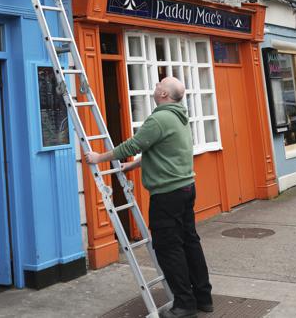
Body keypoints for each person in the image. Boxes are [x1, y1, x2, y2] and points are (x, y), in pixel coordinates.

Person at [85, 77, 212, 318]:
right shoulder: (179, 117)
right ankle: (203, 298)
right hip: (185, 188)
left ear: (164, 94)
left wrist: (99, 157)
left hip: (167, 194)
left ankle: (184, 304)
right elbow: (160, 150)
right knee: (189, 242)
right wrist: (131, 166)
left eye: (158, 84)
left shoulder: (160, 118)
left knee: (168, 246)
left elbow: (133, 145)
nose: (155, 86)